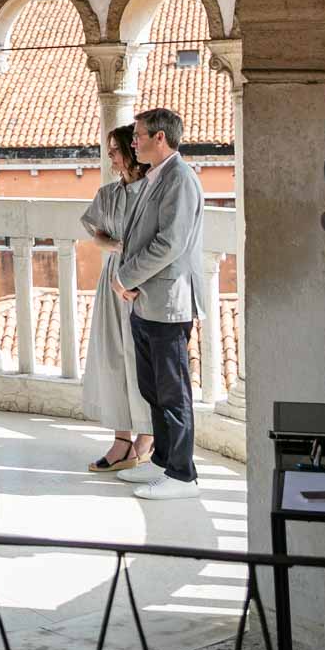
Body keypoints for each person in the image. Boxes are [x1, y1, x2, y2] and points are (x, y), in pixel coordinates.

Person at [110, 107, 208, 501]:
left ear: (160, 138)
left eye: (138, 135)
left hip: (168, 303)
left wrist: (125, 278)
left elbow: (170, 243)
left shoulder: (180, 179)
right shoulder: (157, 176)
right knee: (153, 390)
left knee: (173, 394)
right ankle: (162, 460)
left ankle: (183, 475)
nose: (133, 142)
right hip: (146, 303)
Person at [79, 124, 153, 472]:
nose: (110, 156)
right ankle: (122, 438)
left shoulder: (154, 190)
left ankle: (149, 436)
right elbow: (98, 234)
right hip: (112, 280)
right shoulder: (108, 194)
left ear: (130, 149)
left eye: (115, 149)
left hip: (145, 280)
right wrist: (115, 246)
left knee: (141, 359)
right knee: (112, 356)